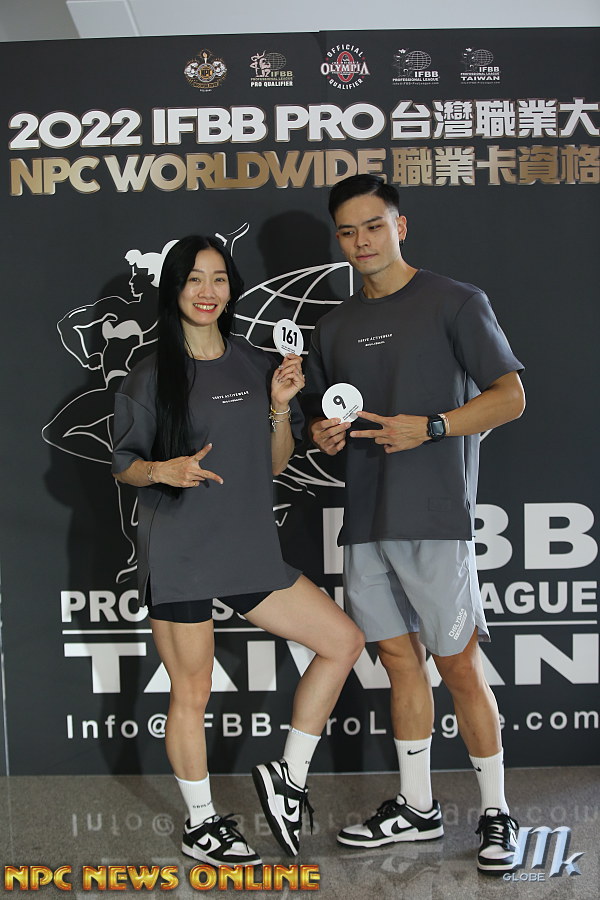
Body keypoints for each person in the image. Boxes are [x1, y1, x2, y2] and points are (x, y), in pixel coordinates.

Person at [111, 235, 364, 867]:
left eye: (219, 278)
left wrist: (279, 406)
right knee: (192, 691)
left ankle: (288, 776)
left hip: (248, 547)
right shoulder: (150, 374)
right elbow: (124, 464)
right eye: (194, 279)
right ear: (174, 289)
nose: (207, 291)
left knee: (342, 642)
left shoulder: (256, 362)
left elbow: (274, 463)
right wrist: (163, 470)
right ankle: (202, 824)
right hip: (181, 550)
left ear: (232, 288)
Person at [303, 175, 525, 874]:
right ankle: (417, 807)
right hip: (365, 520)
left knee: (458, 664)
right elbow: (324, 420)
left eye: (373, 226)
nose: (361, 242)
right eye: (347, 232)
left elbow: (511, 397)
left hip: (435, 516)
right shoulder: (332, 327)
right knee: (400, 664)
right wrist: (321, 435)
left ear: (400, 226)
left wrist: (432, 427)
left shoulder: (456, 301)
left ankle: (497, 811)